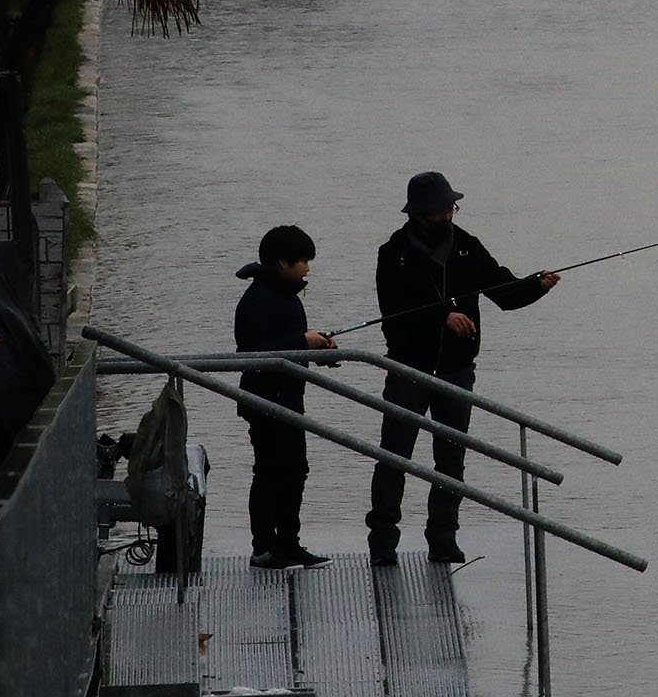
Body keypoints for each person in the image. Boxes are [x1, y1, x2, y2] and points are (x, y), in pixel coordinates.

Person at [365, 172, 560, 565]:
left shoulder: (467, 247)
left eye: (451, 207)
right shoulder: (393, 253)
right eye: (441, 209)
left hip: (457, 370)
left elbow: (503, 292)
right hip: (408, 369)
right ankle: (383, 542)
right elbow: (394, 312)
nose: (449, 214)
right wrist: (443, 317)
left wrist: (535, 286)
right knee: (394, 456)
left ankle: (443, 538)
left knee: (451, 459)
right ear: (420, 213)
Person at [234, 225, 336, 568]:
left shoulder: (284, 294)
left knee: (295, 470)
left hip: (289, 399)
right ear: (282, 262)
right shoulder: (259, 299)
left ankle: (289, 543)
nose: (307, 267)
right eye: (302, 261)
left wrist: (319, 348)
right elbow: (253, 352)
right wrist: (301, 343)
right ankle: (264, 547)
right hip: (265, 402)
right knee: (270, 472)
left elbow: (289, 342)